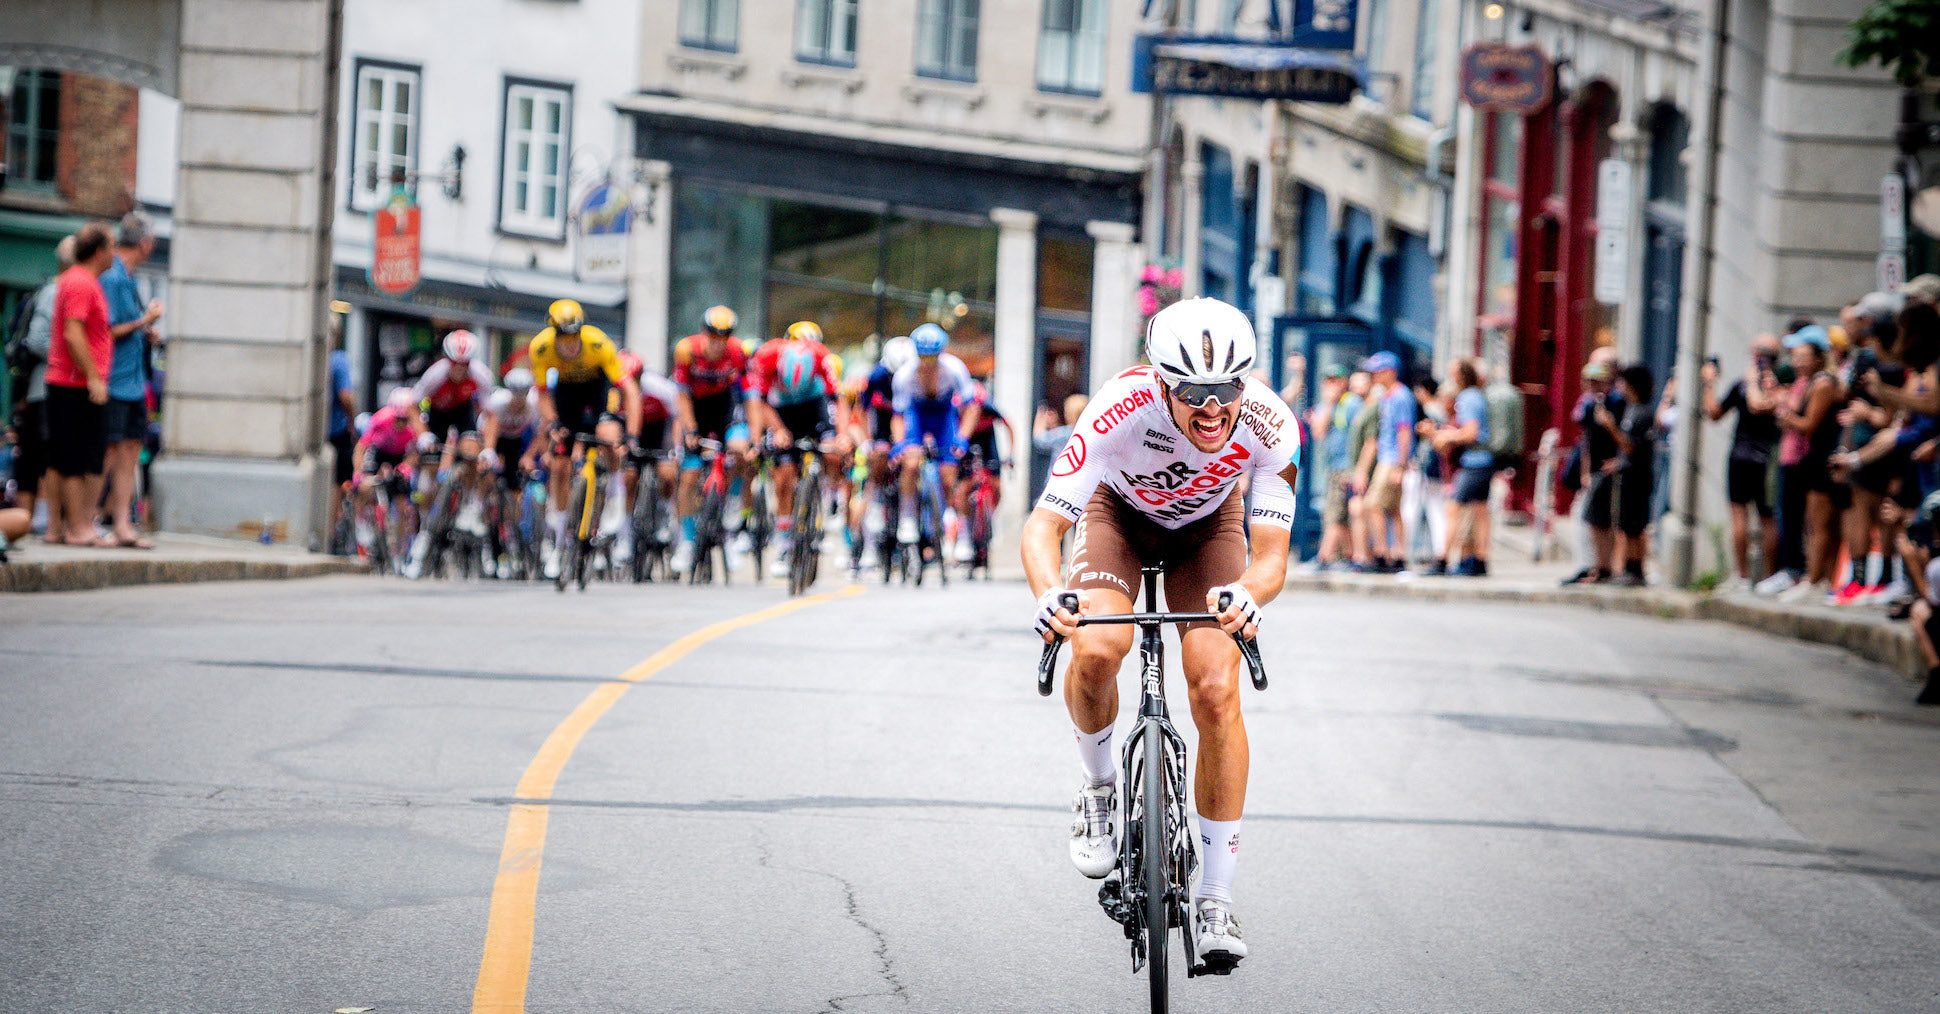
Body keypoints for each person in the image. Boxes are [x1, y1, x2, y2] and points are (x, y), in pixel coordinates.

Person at [1025, 297, 1298, 972]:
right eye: (1193, 393)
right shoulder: (1117, 409)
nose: (1213, 409)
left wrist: (1247, 594)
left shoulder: (1271, 425)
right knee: (1096, 647)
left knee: (1213, 688)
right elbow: (1041, 529)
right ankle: (1098, 789)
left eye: (1227, 390)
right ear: (1159, 382)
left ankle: (1215, 899)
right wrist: (1049, 596)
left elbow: (1271, 558)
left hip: (1210, 530)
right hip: (1115, 516)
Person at [528, 299, 642, 578]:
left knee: (607, 435)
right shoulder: (540, 348)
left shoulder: (599, 343)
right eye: (563, 337)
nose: (568, 344)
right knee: (559, 463)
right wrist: (552, 423)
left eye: (573, 336)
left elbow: (630, 391)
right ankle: (558, 533)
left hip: (596, 390)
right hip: (566, 394)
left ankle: (615, 491)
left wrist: (632, 435)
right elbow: (543, 393)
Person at [42, 222, 117, 548]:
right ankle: (77, 529)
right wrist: (93, 377)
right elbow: (73, 333)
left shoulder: (78, 281)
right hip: (75, 383)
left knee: (62, 457)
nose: (114, 252)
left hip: (68, 381)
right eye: (112, 246)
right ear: (99, 251)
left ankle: (57, 528)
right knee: (77, 458)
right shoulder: (81, 282)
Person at [670, 305, 759, 575]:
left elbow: (751, 397)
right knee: (689, 476)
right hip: (696, 409)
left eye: (724, 335)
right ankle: (686, 540)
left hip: (725, 408)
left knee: (740, 451)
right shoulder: (686, 350)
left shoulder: (738, 352)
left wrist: (754, 437)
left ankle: (731, 512)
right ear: (703, 332)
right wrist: (690, 428)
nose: (718, 341)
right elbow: (682, 395)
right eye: (713, 334)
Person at [748, 320, 843, 562]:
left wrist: (841, 436)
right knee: (784, 477)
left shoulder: (822, 356)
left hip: (813, 407)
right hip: (781, 411)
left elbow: (838, 400)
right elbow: (759, 402)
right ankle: (783, 542)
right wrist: (777, 429)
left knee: (833, 451)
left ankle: (830, 500)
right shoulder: (767, 355)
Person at [98, 213, 165, 549]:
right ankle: (91, 522)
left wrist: (145, 331)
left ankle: (123, 525)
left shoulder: (128, 277)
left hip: (134, 382)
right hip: (113, 380)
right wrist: (145, 320)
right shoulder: (112, 277)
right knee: (107, 453)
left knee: (129, 453)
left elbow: (129, 327)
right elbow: (108, 329)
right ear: (145, 243)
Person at [889, 323, 978, 559]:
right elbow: (898, 416)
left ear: (941, 353)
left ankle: (962, 535)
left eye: (933, 357)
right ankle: (908, 517)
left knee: (950, 477)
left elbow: (971, 407)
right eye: (922, 357)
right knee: (909, 462)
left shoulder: (954, 369)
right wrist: (900, 444)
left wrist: (962, 438)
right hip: (917, 415)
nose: (927, 362)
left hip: (944, 416)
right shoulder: (904, 376)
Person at [1702, 335, 1783, 590]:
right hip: (1755, 457)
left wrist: (1709, 384)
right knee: (1760, 518)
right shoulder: (1776, 384)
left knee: (1755, 517)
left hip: (1755, 458)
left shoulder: (1757, 386)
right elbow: (1716, 413)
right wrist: (1711, 383)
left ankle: (1749, 576)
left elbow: (1717, 412)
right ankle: (1757, 577)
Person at [1771, 325, 1844, 602]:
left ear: (1818, 357)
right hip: (1812, 458)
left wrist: (1784, 414)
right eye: (1794, 356)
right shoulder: (1813, 382)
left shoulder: (1824, 382)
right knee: (1813, 523)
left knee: (1819, 524)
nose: (1796, 362)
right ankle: (1816, 578)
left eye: (1803, 356)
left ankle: (1814, 580)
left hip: (1821, 458)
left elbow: (1809, 424)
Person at [8, 235, 75, 527]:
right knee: (43, 454)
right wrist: (71, 355)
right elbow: (37, 340)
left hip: (42, 386)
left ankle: (32, 521)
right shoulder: (55, 292)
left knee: (37, 453)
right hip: (44, 388)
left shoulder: (55, 290)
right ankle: (38, 521)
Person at [1434, 359, 1494, 576]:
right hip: (1484, 461)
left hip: (1473, 462)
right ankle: (1479, 560)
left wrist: (1448, 435)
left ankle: (1442, 560)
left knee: (1453, 509)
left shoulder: (1468, 397)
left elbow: (1471, 432)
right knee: (1480, 512)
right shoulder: (1477, 395)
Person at [1361, 352, 1412, 572]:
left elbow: (1404, 431)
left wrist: (1400, 466)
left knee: (1372, 505)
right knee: (1392, 508)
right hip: (1387, 457)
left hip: (1392, 459)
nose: (1374, 375)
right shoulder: (1387, 396)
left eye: (1378, 371)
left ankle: (1382, 552)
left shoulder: (1401, 396)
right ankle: (1398, 554)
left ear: (1390, 371)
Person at [1310, 365, 1363, 570]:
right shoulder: (1331, 404)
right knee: (1339, 514)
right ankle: (1349, 557)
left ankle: (1323, 557)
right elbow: (1318, 431)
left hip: (1345, 467)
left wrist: (1354, 469)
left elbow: (1362, 439)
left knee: (1335, 513)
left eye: (1335, 380)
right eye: (1327, 380)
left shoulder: (1352, 404)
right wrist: (1329, 403)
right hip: (1334, 466)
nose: (1331, 385)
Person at [413, 330, 497, 441]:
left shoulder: (481, 374)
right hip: (437, 412)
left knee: (470, 447)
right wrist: (423, 435)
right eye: (454, 363)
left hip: (463, 410)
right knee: (430, 448)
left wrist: (488, 448)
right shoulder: (435, 373)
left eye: (464, 364)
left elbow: (491, 413)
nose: (459, 368)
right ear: (448, 359)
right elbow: (411, 405)